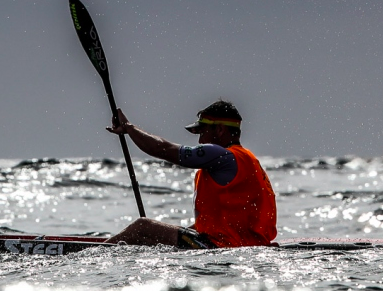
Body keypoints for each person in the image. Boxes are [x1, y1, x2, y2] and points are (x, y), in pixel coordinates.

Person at [105, 100, 276, 248]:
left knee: (143, 227)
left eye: (203, 131)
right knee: (154, 235)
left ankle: (89, 254)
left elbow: (162, 149)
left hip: (220, 247)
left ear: (221, 130)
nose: (200, 140)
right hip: (247, 247)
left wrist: (129, 128)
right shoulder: (250, 161)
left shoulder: (222, 156)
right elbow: (220, 223)